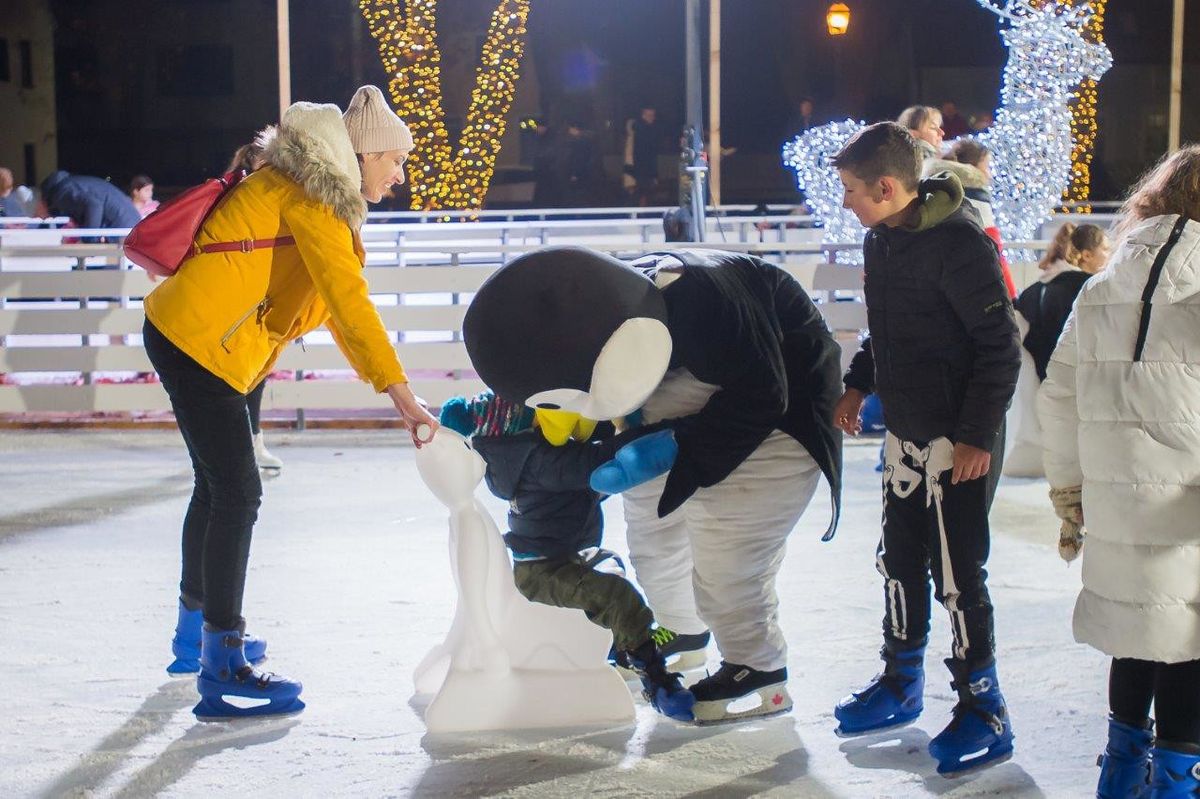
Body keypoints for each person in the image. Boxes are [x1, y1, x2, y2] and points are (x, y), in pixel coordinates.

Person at [142, 85, 438, 719]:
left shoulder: (301, 187)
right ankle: (223, 663)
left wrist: (391, 390)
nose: (400, 173)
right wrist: (402, 396)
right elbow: (349, 301)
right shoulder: (317, 198)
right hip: (202, 345)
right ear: (364, 155)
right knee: (238, 492)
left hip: (203, 339)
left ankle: (195, 635)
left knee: (217, 486)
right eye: (395, 159)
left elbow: (329, 304)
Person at [459, 246, 845, 725]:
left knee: (727, 548)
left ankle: (757, 665)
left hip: (777, 413)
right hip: (670, 385)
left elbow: (764, 393)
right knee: (653, 529)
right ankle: (682, 631)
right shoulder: (603, 309)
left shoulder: (706, 303)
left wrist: (686, 450)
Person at [830, 122, 1020, 775]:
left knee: (959, 575)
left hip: (957, 439)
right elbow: (886, 328)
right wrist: (858, 385)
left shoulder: (961, 244)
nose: (848, 202)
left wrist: (973, 435)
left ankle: (984, 707)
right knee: (899, 559)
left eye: (853, 190)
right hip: (908, 433)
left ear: (887, 186)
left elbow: (1000, 348)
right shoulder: (882, 238)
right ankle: (901, 679)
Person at [1039, 144, 1200, 798]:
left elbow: (1057, 394)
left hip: (1113, 506)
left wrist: (1070, 493)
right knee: (1187, 637)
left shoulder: (1102, 286)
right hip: (1184, 513)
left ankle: (1121, 770)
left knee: (1134, 632)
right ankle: (1178, 781)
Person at [438, 390, 695, 721]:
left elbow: (587, 454)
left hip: (552, 558)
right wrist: (674, 429)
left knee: (609, 564)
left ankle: (622, 646)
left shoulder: (516, 457)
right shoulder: (538, 461)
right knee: (617, 595)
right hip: (542, 573)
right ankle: (657, 681)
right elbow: (597, 459)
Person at [227, 126, 284, 472]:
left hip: (261, 300)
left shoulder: (271, 200)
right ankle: (237, 448)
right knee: (238, 379)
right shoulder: (240, 201)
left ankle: (252, 442)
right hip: (239, 302)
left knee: (256, 377)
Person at [1017, 223, 1109, 381]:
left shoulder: (1034, 290)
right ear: (1087, 255)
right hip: (1075, 381)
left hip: (1033, 383)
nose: (1109, 255)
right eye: (1105, 249)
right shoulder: (1090, 290)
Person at [944, 138, 1016, 299]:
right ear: (972, 168)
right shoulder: (977, 198)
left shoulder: (939, 189)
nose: (989, 173)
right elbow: (993, 248)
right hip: (974, 287)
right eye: (986, 166)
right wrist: (1010, 293)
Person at [39, 170, 141, 236]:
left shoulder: (63, 191)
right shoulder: (74, 184)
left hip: (121, 228)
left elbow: (94, 205)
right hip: (129, 224)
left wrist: (89, 238)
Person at [623, 107, 663, 206]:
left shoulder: (636, 131)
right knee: (642, 195)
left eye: (653, 116)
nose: (652, 118)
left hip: (636, 169)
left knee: (637, 196)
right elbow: (648, 154)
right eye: (650, 115)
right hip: (642, 170)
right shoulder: (646, 132)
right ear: (643, 115)